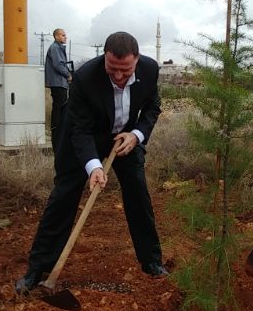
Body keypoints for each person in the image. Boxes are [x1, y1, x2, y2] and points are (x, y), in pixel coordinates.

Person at [16, 31, 167, 292]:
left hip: (124, 139)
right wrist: (94, 166)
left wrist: (136, 135)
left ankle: (151, 262)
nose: (118, 76)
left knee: (138, 195)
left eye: (125, 70)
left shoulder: (150, 70)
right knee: (64, 196)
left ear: (137, 60)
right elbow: (80, 130)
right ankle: (38, 269)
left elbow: (153, 108)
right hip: (84, 138)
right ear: (104, 58)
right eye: (112, 68)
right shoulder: (85, 78)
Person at [45, 28, 72, 145]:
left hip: (59, 82)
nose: (65, 37)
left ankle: (58, 131)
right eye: (63, 35)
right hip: (58, 82)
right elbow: (58, 65)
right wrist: (68, 74)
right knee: (59, 107)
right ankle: (56, 131)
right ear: (56, 36)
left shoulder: (58, 48)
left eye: (65, 35)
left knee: (60, 107)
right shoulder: (55, 48)